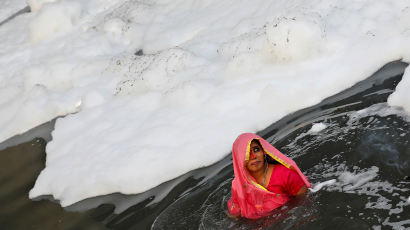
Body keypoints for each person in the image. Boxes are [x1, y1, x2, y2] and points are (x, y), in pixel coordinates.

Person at [227, 133, 311, 219]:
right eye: (246, 153)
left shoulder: (285, 175)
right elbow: (236, 215)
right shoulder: (239, 185)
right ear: (239, 159)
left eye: (256, 149)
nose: (253, 156)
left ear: (263, 151)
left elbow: (304, 201)